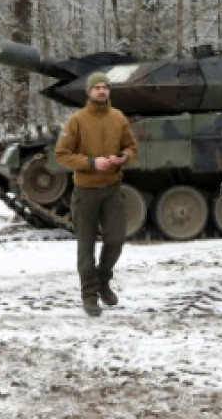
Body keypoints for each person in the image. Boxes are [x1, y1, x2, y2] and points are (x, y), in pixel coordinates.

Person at [53, 71, 138, 317]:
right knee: (86, 246)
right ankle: (89, 295)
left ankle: (103, 281)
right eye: (96, 87)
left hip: (112, 189)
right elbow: (61, 154)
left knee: (115, 239)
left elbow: (131, 147)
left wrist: (123, 158)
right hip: (86, 191)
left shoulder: (118, 118)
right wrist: (91, 163)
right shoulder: (77, 120)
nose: (101, 91)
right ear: (89, 92)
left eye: (105, 87)